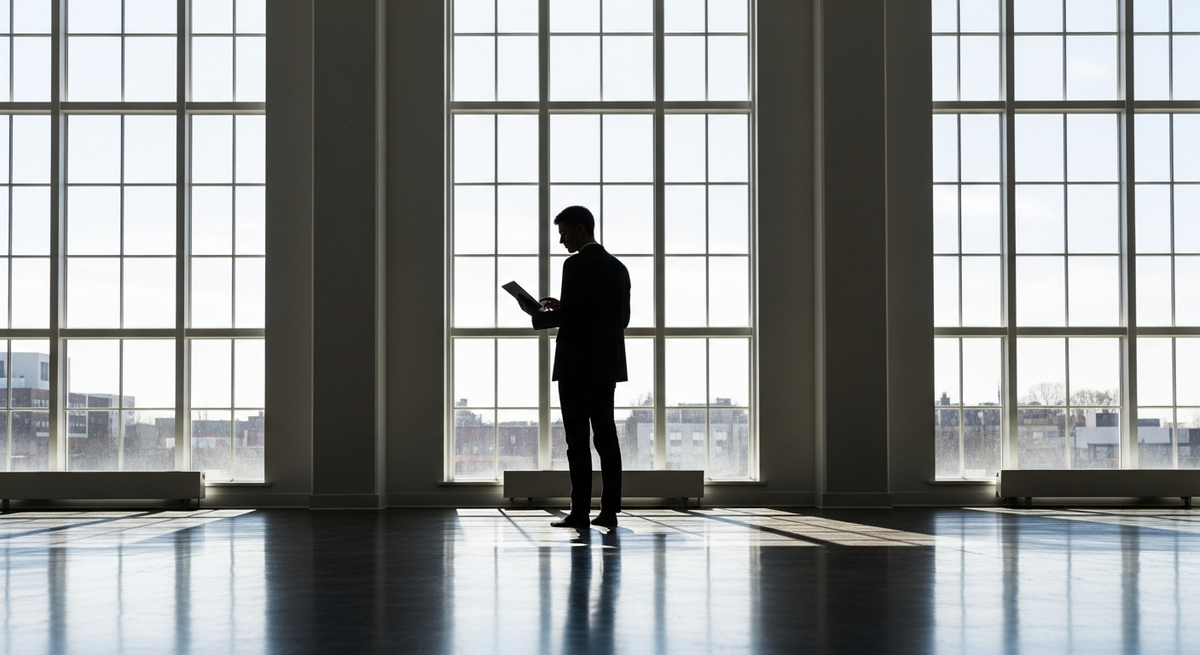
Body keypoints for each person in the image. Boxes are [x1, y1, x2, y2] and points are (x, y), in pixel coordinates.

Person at [517, 206, 630, 529]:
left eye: (564, 233)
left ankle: (579, 511)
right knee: (606, 437)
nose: (561, 240)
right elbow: (618, 319)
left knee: (577, 440)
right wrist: (566, 308)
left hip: (576, 364)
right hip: (606, 363)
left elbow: (574, 319)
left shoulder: (576, 264)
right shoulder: (619, 268)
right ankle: (610, 511)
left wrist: (535, 313)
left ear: (581, 229)